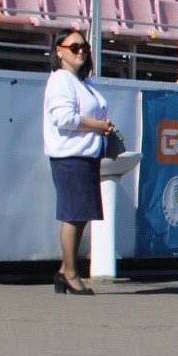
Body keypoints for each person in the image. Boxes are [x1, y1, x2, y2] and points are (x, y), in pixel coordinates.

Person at [43, 30, 117, 295]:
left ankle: (65, 269)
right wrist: (97, 125)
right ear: (58, 52)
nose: (80, 51)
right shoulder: (61, 80)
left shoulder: (82, 81)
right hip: (69, 156)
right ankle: (71, 274)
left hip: (85, 155)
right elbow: (63, 118)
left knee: (81, 215)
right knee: (73, 216)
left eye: (83, 46)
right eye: (73, 47)